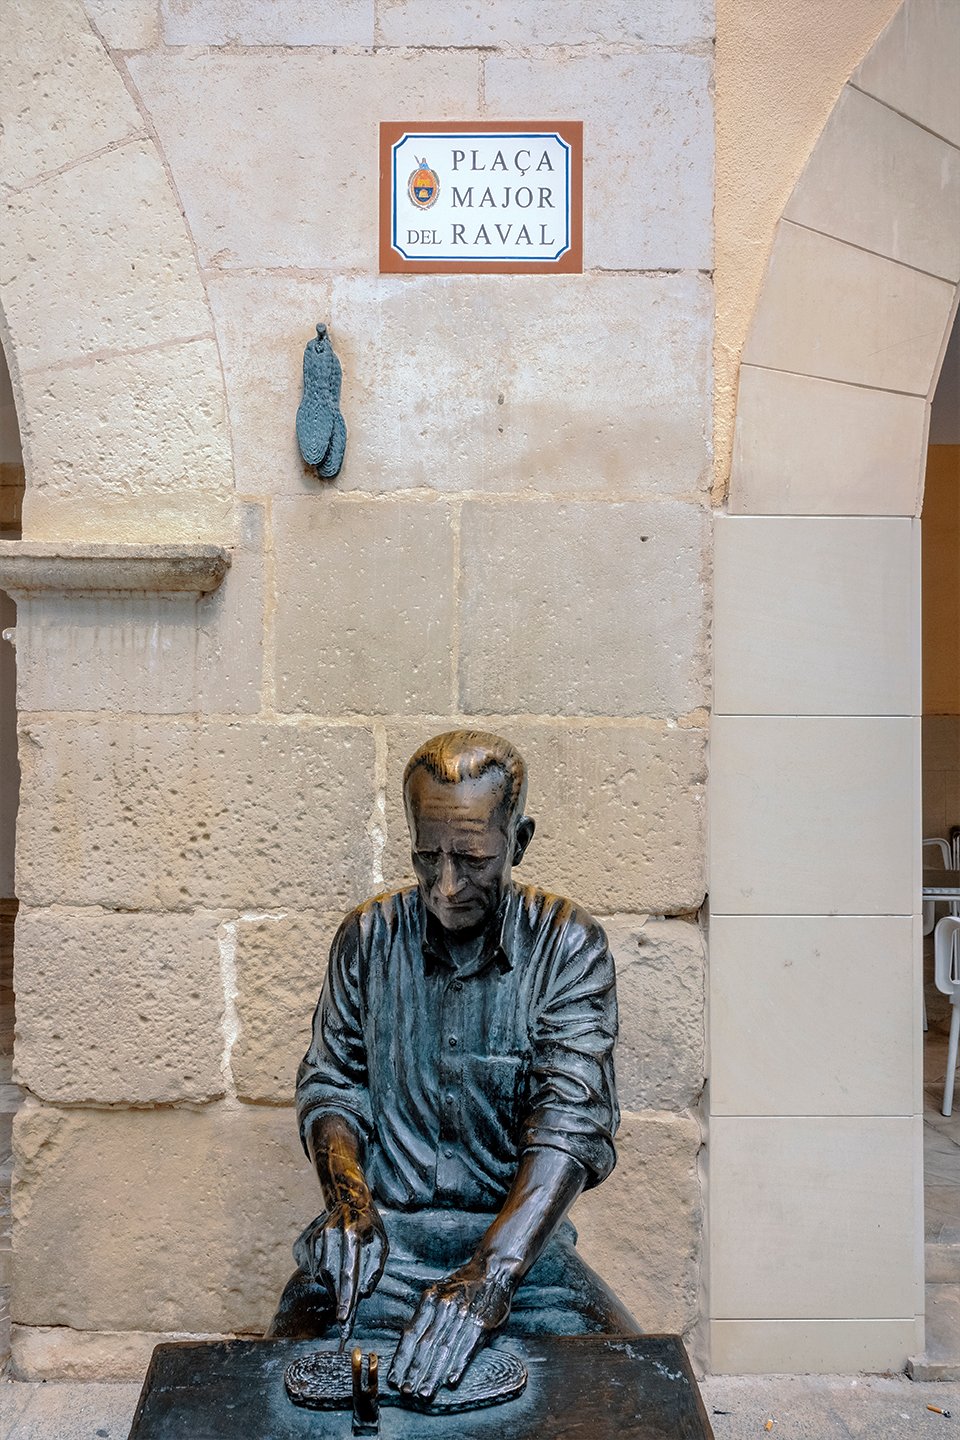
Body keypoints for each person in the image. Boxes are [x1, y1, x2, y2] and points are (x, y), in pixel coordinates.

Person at [269, 730, 637, 1401]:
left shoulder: (567, 945)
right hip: (384, 1251)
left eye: (471, 860)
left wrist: (490, 1277)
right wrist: (347, 1199)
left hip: (522, 1260)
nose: (444, 886)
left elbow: (571, 1123)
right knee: (275, 1385)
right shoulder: (367, 937)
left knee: (623, 1387)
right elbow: (333, 1085)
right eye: (426, 856)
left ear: (517, 842)